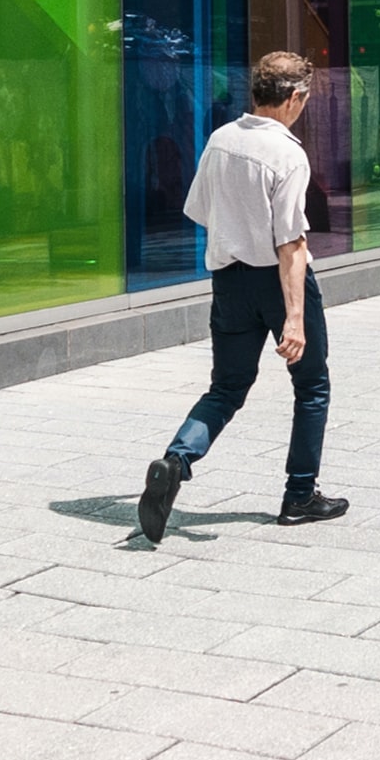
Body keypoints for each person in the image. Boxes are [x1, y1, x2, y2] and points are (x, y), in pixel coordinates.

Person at [138, 50, 344, 542]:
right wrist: (294, 318)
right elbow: (290, 243)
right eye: (305, 100)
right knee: (311, 386)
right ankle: (299, 496)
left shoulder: (220, 140)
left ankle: (176, 461)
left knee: (227, 388)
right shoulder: (288, 154)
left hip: (229, 281)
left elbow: (200, 210)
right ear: (294, 98)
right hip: (277, 281)